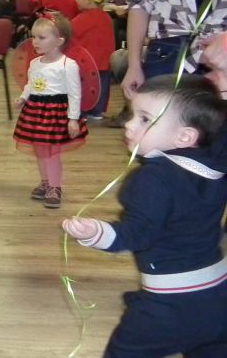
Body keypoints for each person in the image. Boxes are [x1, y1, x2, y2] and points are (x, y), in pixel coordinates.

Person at [63, 75, 227, 358]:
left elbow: (136, 235)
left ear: (185, 136)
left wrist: (95, 233)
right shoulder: (215, 163)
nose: (129, 124)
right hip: (219, 295)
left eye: (144, 119)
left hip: (168, 307)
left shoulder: (152, 180)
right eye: (132, 115)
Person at [14, 14, 87, 208]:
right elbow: (31, 84)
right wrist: (23, 97)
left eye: (41, 37)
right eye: (34, 37)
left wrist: (73, 118)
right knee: (40, 150)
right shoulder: (35, 63)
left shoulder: (67, 65)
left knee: (53, 152)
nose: (35, 41)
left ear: (59, 41)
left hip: (56, 114)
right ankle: (45, 182)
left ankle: (55, 187)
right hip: (35, 112)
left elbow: (75, 93)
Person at [72, 0, 115, 120]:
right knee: (102, 86)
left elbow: (70, 30)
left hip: (88, 61)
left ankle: (83, 110)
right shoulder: (105, 17)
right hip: (104, 60)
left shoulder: (85, 17)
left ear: (89, 1)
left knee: (86, 87)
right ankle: (97, 111)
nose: (77, 0)